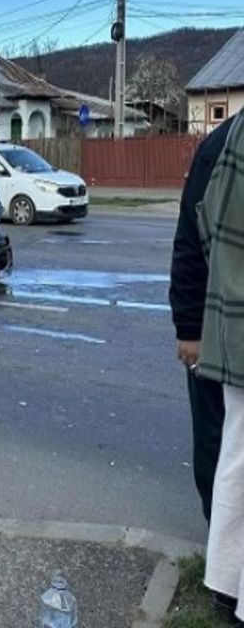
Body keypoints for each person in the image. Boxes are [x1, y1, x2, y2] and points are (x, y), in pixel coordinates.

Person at [171, 115, 235, 523]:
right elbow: (190, 244)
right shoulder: (220, 148)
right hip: (216, 327)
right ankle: (220, 544)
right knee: (217, 441)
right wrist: (190, 329)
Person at [197, 113, 244, 625]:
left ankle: (226, 584)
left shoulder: (232, 134)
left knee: (237, 454)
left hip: (233, 322)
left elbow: (205, 218)